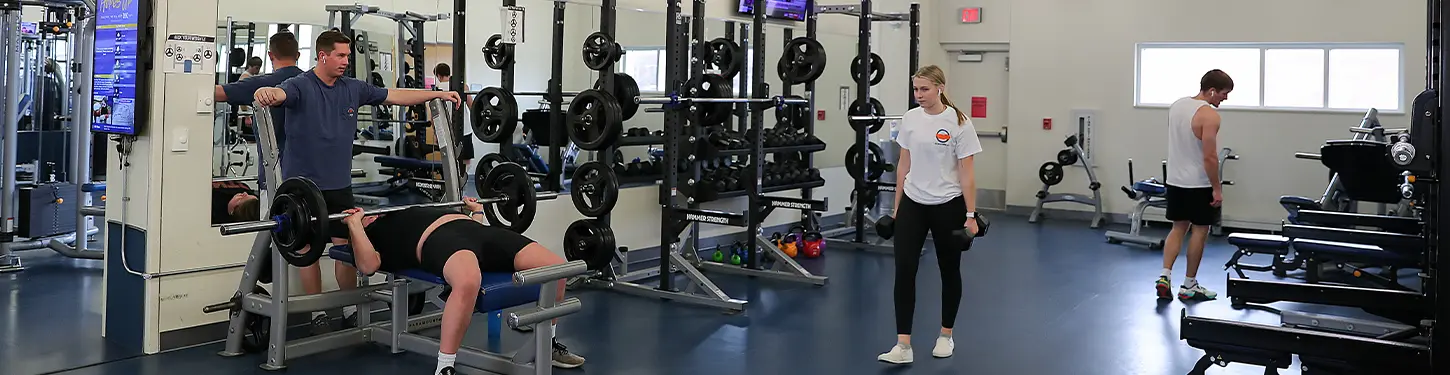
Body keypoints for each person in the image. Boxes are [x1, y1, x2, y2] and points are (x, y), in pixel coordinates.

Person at [253, 30, 461, 333]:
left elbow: (395, 96)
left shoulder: (353, 88)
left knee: (346, 249)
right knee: (307, 252)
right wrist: (265, 93)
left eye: (348, 56)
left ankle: (349, 308)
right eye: (340, 55)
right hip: (303, 190)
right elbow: (280, 95)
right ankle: (317, 315)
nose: (346, 62)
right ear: (322, 56)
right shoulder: (299, 85)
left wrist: (436, 95)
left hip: (339, 186)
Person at [340, 198, 587, 374]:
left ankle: (547, 345)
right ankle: (445, 366)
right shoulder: (370, 234)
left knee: (557, 269)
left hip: (477, 231)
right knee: (468, 281)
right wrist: (355, 225)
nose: (370, 213)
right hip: (438, 240)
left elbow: (474, 226)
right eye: (365, 215)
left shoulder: (398, 210)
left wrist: (477, 211)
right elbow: (368, 265)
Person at [877, 65, 984, 365]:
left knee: (948, 270)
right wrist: (897, 210)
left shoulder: (959, 123)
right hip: (913, 202)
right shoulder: (910, 119)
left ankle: (945, 336)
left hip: (948, 204)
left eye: (924, 89)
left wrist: (971, 215)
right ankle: (903, 345)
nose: (919, 95)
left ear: (940, 87)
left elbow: (967, 174)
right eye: (915, 89)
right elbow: (903, 166)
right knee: (904, 269)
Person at [1157, 69, 1232, 301]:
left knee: (1178, 228)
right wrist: (1217, 188)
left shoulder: (1177, 105)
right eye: (1223, 93)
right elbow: (1210, 157)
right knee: (1200, 230)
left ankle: (1164, 275)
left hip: (1175, 181)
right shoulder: (1209, 116)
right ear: (1211, 90)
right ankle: (1189, 285)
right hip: (1198, 184)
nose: (1225, 98)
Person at [215, 32, 304, 154]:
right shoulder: (313, 83)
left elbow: (217, 93)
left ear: (270, 55)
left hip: (274, 167)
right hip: (310, 164)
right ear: (298, 55)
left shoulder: (261, 83)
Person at [433, 62, 474, 171]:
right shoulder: (464, 86)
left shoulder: (437, 90)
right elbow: (472, 107)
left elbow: (434, 115)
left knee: (447, 160)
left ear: (439, 76)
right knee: (466, 162)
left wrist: (436, 133)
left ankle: (451, 186)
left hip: (446, 131)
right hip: (465, 130)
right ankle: (461, 185)